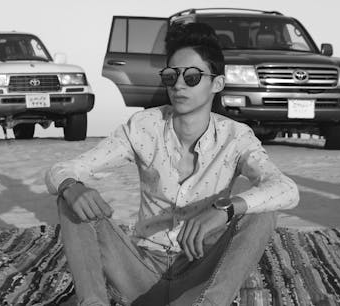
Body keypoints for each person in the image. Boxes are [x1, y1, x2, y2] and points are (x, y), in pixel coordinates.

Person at [45, 22, 299, 306]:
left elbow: (285, 189)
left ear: (217, 83)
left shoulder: (235, 137)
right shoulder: (143, 126)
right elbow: (61, 170)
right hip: (137, 269)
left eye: (191, 77)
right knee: (71, 198)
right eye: (171, 76)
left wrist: (225, 210)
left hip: (200, 272)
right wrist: (71, 185)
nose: (178, 84)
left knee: (263, 212)